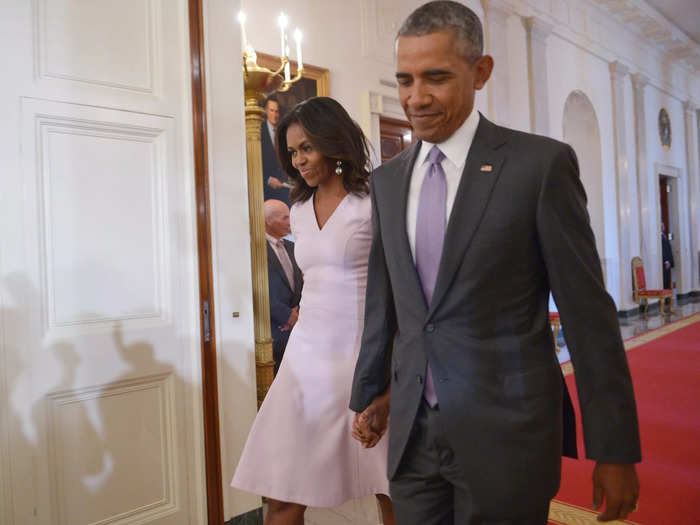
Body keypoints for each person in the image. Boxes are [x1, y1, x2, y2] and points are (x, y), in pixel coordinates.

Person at [349, 2, 641, 524]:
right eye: (405, 79)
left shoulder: (538, 167)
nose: (416, 97)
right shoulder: (387, 181)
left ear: (480, 71)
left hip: (508, 434)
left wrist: (614, 447)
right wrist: (372, 391)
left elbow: (588, 315)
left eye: (435, 78)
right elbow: (386, 300)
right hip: (414, 438)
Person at [232, 97, 395, 525]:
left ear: (332, 142)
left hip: (365, 358)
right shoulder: (299, 210)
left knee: (390, 489)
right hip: (306, 364)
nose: (298, 160)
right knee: (282, 493)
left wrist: (389, 377)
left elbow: (399, 290)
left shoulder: (375, 201)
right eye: (291, 152)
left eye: (307, 148)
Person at [264, 199, 303, 375]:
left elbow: (303, 283)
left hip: (297, 332)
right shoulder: (255, 249)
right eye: (285, 218)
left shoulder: (293, 247)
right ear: (268, 221)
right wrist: (286, 316)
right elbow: (260, 289)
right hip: (271, 331)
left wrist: (299, 313)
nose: (290, 222)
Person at [261, 95, 291, 205]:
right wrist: (267, 180)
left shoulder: (282, 131)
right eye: (272, 110)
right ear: (265, 111)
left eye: (277, 111)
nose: (275, 114)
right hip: (266, 191)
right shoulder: (257, 131)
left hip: (284, 188)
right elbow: (253, 162)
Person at [661, 222, 674, 290]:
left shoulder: (664, 236)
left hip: (668, 262)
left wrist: (670, 261)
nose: (663, 227)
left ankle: (668, 296)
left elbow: (668, 249)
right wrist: (666, 261)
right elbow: (662, 250)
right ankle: (665, 298)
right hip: (664, 262)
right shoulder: (659, 237)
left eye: (663, 225)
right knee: (664, 279)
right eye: (662, 226)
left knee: (668, 279)